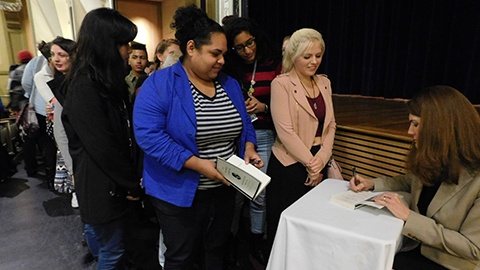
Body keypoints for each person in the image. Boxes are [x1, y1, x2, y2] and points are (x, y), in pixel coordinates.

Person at [133, 5, 262, 270]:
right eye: (215, 54)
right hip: (176, 191)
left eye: (224, 54)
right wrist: (197, 163)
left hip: (223, 189)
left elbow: (245, 122)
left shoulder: (228, 84)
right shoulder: (160, 84)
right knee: (181, 255)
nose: (222, 61)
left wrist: (248, 146)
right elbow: (149, 136)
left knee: (216, 250)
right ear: (191, 48)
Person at [350, 85, 480, 270]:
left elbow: (473, 248)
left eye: (416, 124)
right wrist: (371, 184)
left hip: (448, 263)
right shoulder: (437, 159)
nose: (409, 131)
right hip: (416, 248)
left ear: (440, 128)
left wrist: (409, 217)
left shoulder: (476, 180)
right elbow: (410, 180)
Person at [61, 8, 142, 269]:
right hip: (101, 188)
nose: (128, 50)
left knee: (104, 247)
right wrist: (131, 184)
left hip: (103, 186)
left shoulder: (102, 81)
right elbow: (103, 146)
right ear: (106, 44)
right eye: (124, 43)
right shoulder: (85, 85)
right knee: (112, 252)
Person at [266, 28, 336, 254]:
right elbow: (285, 132)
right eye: (307, 56)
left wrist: (321, 159)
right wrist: (312, 164)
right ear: (293, 56)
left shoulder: (324, 82)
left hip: (318, 158)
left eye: (318, 55)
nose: (314, 61)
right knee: (285, 226)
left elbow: (331, 125)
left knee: (313, 227)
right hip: (290, 163)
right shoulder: (281, 83)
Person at [223, 16, 282, 265]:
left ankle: (257, 241)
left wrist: (263, 106)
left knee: (259, 193)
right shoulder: (226, 68)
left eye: (250, 42)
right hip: (234, 137)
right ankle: (230, 241)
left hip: (264, 134)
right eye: (240, 47)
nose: (248, 50)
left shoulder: (273, 64)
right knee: (233, 195)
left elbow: (285, 107)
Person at [21, 41, 50, 179]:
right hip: (49, 108)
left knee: (34, 139)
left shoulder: (35, 63)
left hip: (38, 107)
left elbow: (26, 83)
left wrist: (33, 92)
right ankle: (53, 172)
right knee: (49, 141)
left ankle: (39, 169)